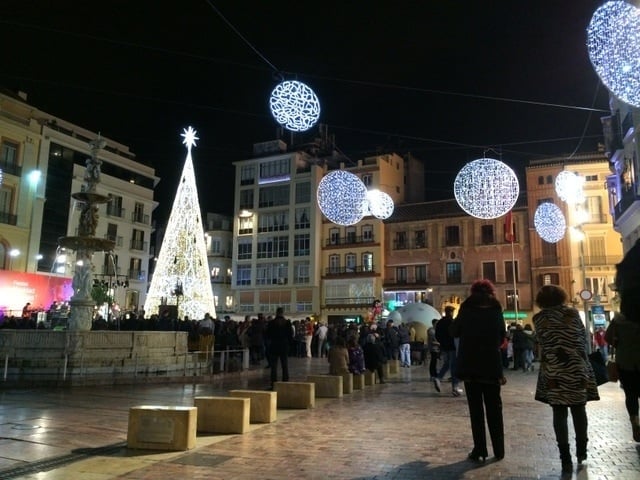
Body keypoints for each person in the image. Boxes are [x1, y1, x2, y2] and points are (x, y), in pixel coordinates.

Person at [533, 285, 599, 474]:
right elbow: (582, 338)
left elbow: (542, 343)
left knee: (559, 411)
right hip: (577, 368)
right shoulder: (573, 314)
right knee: (579, 409)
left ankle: (565, 457)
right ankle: (582, 451)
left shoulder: (539, 319)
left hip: (555, 370)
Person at [451, 279, 506, 463]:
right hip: (492, 365)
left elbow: (454, 331)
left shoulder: (467, 308)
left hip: (471, 364)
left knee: (476, 410)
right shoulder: (496, 308)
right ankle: (499, 450)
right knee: (495, 408)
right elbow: (501, 336)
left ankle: (480, 449)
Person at [605, 242, 640, 442]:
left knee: (631, 394)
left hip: (626, 361)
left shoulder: (620, 320)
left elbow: (609, 338)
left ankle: (634, 419)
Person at [433, 306, 462, 396]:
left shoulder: (440, 323)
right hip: (452, 347)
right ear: (451, 312)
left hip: (444, 347)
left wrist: (442, 343)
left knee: (447, 364)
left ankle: (438, 378)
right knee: (454, 366)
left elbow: (437, 335)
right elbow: (456, 333)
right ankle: (455, 387)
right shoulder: (451, 322)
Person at [265, 307, 293, 388]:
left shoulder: (272, 323)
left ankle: (273, 383)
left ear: (276, 312)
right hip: (284, 346)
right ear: (283, 312)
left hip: (274, 345)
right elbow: (290, 336)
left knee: (274, 366)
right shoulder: (287, 323)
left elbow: (268, 334)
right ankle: (285, 382)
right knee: (284, 364)